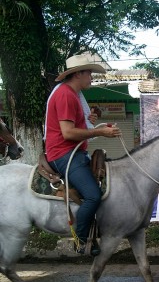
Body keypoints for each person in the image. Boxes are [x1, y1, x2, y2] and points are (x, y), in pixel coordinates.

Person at [44, 53, 121, 256]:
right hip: (64, 154)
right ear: (77, 74)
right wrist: (100, 131)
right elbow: (67, 133)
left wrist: (90, 121)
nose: (91, 77)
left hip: (74, 152)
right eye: (89, 73)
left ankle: (94, 234)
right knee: (94, 196)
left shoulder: (72, 95)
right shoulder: (66, 95)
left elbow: (75, 126)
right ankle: (80, 239)